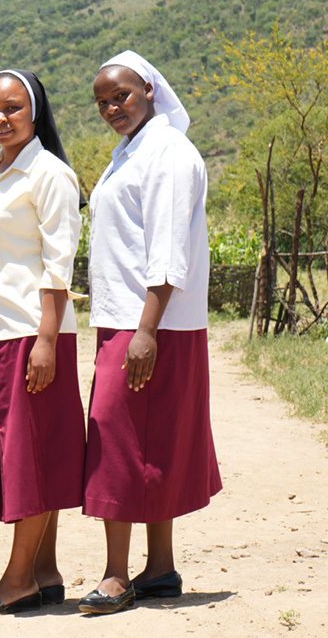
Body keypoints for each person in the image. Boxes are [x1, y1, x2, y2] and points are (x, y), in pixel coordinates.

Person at [77, 51, 222, 615]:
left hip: (149, 324)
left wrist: (145, 331)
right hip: (136, 320)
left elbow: (167, 250)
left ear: (150, 91)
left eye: (123, 96)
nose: (113, 107)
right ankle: (159, 568)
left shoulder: (168, 153)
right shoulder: (133, 151)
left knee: (114, 438)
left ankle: (116, 576)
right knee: (152, 439)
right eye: (103, 101)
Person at [0, 69, 86, 615]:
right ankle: (44, 571)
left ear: (35, 112)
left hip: (32, 332)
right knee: (24, 452)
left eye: (12, 108)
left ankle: (15, 580)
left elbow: (60, 265)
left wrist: (46, 339)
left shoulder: (51, 175)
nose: (0, 118)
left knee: (27, 457)